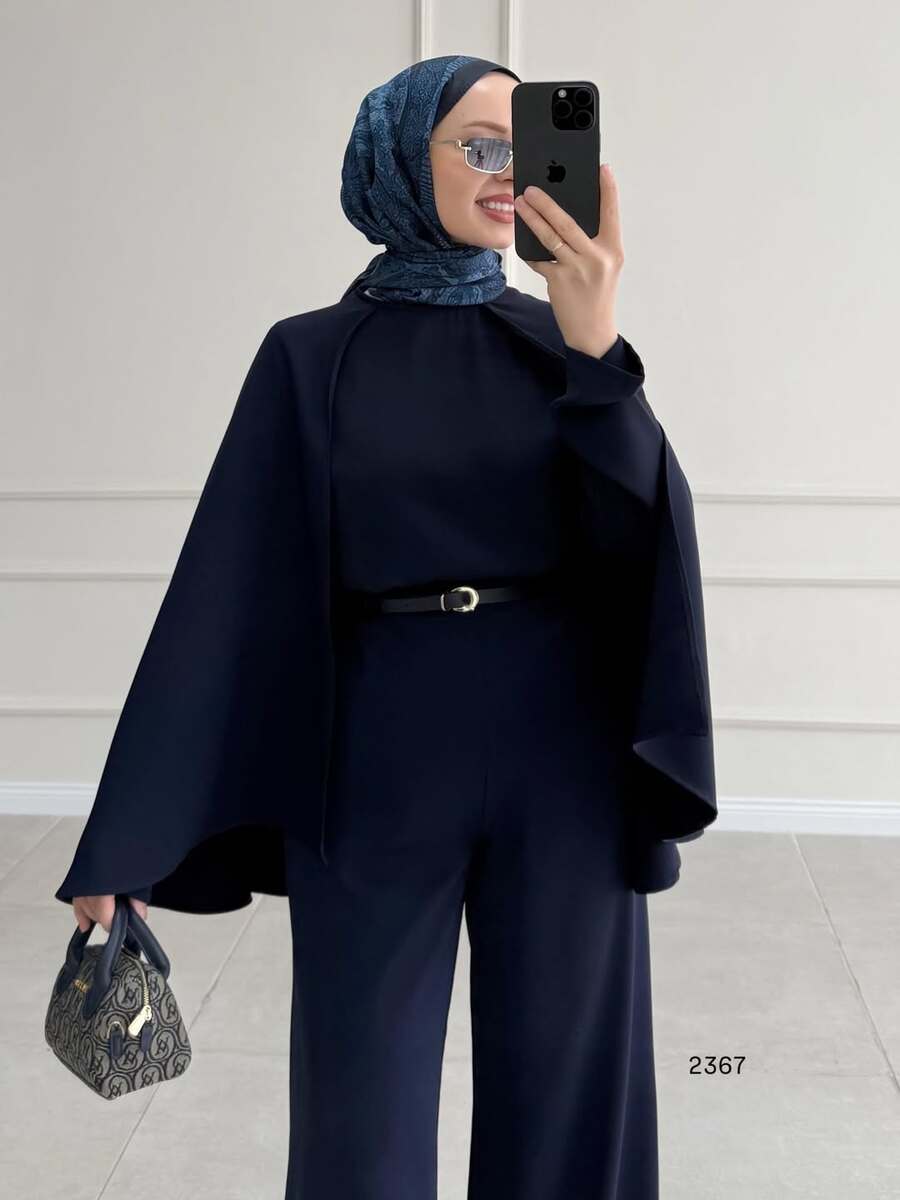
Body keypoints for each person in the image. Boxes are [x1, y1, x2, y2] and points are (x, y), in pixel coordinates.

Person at [58, 54, 716, 1199]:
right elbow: (223, 589)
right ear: (401, 156)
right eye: (479, 144)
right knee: (359, 1111)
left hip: (563, 756)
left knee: (572, 1096)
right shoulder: (307, 356)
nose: (508, 171)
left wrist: (598, 345)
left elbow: (641, 541)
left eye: (523, 144)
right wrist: (123, 841)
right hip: (374, 758)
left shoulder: (561, 339)